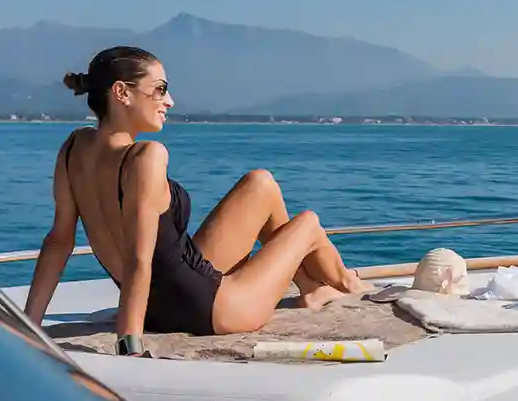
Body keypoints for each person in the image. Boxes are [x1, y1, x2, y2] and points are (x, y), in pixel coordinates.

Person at [23, 46, 368, 356]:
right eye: (160, 89)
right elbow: (139, 258)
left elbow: (58, 243)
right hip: (214, 311)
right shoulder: (146, 156)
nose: (169, 101)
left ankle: (310, 287)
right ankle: (350, 285)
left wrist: (28, 326)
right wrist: (129, 343)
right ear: (121, 93)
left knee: (260, 183)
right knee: (307, 223)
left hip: (159, 308)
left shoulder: (74, 148)